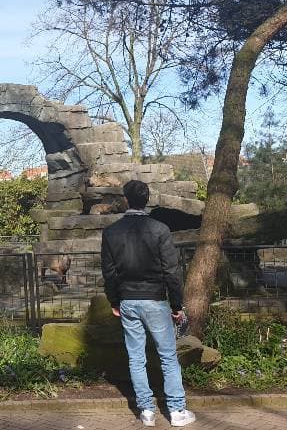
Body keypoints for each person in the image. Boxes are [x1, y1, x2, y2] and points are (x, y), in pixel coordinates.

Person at [101, 180, 196, 427]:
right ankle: (176, 411)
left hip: (128, 301)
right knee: (167, 356)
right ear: (147, 199)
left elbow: (109, 272)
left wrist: (114, 301)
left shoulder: (111, 232)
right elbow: (172, 272)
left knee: (136, 357)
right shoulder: (160, 229)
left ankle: (146, 412)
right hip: (155, 299)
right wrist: (177, 305)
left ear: (126, 199)